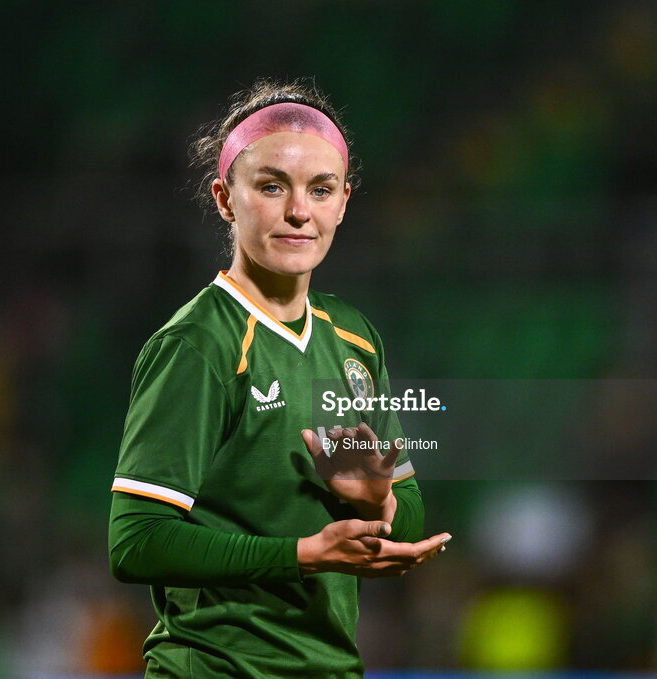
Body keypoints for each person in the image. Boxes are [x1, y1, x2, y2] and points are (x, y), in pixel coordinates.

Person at [108, 79, 451, 679]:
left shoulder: (354, 338)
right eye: (272, 186)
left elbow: (410, 514)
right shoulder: (199, 345)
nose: (299, 211)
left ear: (344, 202)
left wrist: (381, 498)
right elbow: (137, 541)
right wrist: (302, 556)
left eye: (321, 189)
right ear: (224, 197)